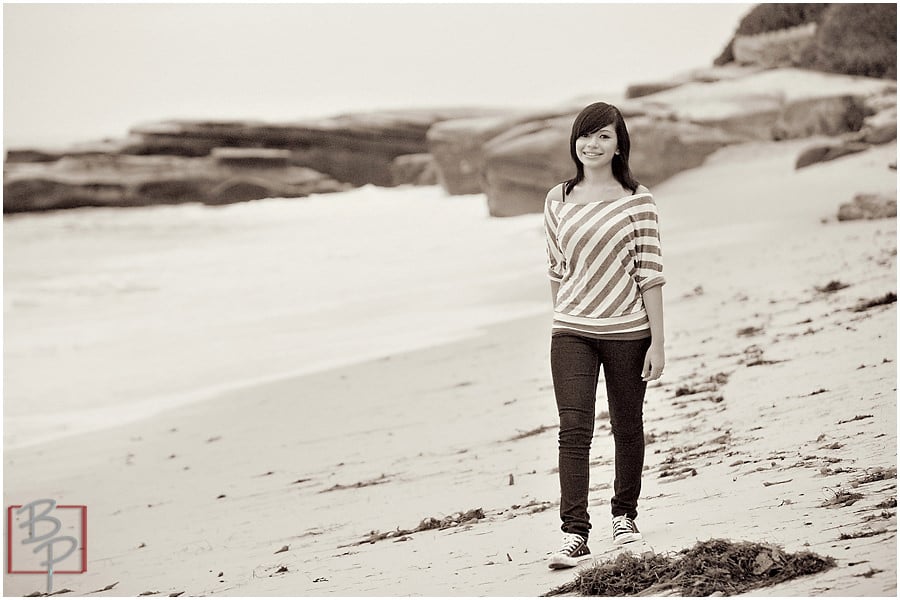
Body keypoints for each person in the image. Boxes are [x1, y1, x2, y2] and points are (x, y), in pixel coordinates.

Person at [543, 102, 666, 570]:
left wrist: (658, 342)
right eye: (585, 135)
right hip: (572, 331)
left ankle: (624, 518)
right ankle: (575, 533)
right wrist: (564, 315)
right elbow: (556, 267)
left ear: (619, 146)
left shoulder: (638, 200)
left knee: (626, 425)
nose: (591, 145)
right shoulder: (558, 198)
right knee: (573, 432)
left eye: (603, 137)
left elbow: (650, 274)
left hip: (628, 332)